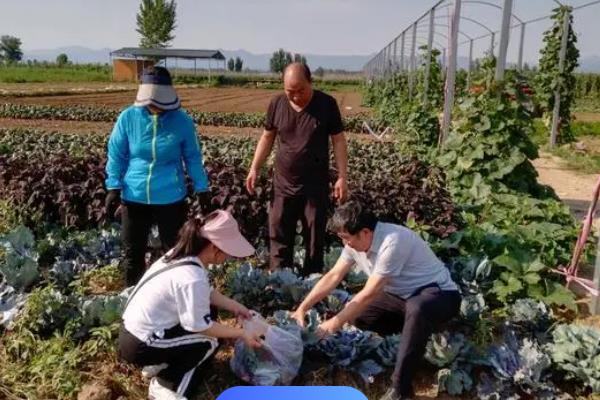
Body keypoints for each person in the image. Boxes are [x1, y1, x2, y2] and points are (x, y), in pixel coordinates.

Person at [290, 201, 461, 400]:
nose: (346, 244)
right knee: (360, 316)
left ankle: (400, 388)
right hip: (400, 297)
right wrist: (302, 308)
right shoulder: (355, 243)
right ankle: (415, 336)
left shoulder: (393, 241)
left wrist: (333, 324)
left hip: (438, 295)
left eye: (347, 239)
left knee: (418, 308)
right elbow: (334, 275)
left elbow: (370, 292)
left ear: (365, 232)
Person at [119, 210, 263, 400]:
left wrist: (236, 306)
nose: (228, 258)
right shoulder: (191, 277)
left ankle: (162, 361)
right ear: (214, 247)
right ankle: (165, 385)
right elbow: (199, 327)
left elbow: (207, 294)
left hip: (133, 331)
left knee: (209, 312)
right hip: (142, 343)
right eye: (228, 252)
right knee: (209, 342)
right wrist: (241, 333)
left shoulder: (182, 255)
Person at [105, 65, 211, 286]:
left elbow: (192, 157)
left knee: (173, 253)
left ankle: (171, 298)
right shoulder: (128, 118)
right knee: (132, 254)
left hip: (170, 196)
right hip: (134, 196)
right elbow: (117, 153)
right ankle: (132, 297)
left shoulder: (182, 122)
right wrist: (113, 186)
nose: (155, 106)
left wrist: (202, 188)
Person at [246, 62, 349, 275]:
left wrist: (342, 176)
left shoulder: (326, 104)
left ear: (310, 82)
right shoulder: (277, 104)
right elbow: (267, 137)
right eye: (289, 91)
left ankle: (311, 282)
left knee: (314, 237)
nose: (295, 96)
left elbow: (338, 140)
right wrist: (255, 168)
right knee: (279, 235)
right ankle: (279, 281)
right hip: (283, 184)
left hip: (315, 186)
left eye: (300, 90)